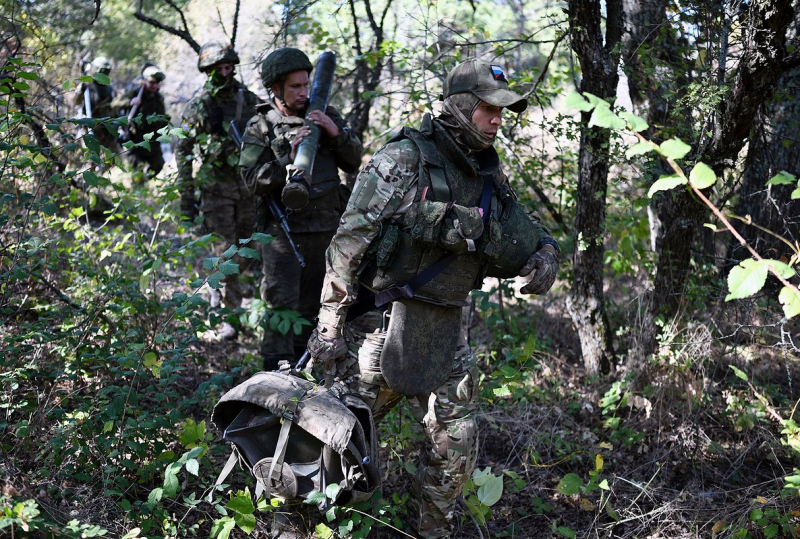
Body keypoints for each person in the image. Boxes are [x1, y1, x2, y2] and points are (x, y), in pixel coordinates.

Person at [306, 58, 560, 538]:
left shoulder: (485, 170)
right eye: (489, 109)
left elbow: (522, 230)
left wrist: (546, 254)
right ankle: (305, 520)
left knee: (456, 443)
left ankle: (433, 531)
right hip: (380, 329)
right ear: (462, 104)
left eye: (503, 111)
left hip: (447, 330)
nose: (498, 119)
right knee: (339, 436)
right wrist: (329, 326)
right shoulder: (403, 159)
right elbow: (348, 243)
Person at [239, 47, 362, 370]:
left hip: (327, 228)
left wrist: (335, 133)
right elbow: (251, 180)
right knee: (281, 305)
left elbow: (352, 160)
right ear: (275, 88)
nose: (303, 93)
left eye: (306, 85)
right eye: (295, 87)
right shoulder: (262, 125)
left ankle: (309, 372)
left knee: (321, 306)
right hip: (284, 233)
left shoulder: (325, 113)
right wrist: (285, 158)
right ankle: (273, 378)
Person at [176, 41, 260, 341]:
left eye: (228, 67)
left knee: (248, 251)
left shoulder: (249, 100)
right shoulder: (199, 106)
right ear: (208, 71)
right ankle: (228, 318)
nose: (224, 73)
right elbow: (183, 150)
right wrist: (186, 197)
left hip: (248, 189)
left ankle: (226, 301)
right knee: (225, 255)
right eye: (218, 69)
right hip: (216, 191)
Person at [112, 64, 169, 181]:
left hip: (152, 140)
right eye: (152, 83)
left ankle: (146, 181)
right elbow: (115, 103)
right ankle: (137, 191)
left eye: (157, 83)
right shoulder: (136, 93)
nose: (155, 86)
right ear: (145, 81)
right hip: (136, 139)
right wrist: (130, 102)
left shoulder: (159, 98)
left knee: (158, 165)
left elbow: (162, 116)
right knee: (136, 169)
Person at [72, 56, 118, 152]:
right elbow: (76, 102)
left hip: (106, 130)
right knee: (91, 156)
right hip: (89, 127)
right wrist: (81, 90)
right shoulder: (87, 86)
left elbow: (115, 110)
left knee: (112, 159)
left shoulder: (110, 89)